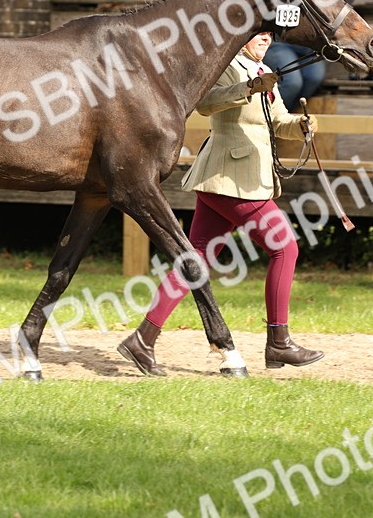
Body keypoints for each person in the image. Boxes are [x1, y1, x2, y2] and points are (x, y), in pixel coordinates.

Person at [117, 31, 323, 377]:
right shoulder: (227, 65)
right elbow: (206, 103)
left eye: (270, 34)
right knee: (284, 248)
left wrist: (301, 125)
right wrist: (246, 89)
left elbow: (276, 121)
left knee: (195, 260)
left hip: (231, 179)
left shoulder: (263, 69)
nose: (266, 39)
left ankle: (142, 339)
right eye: (259, 34)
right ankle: (279, 341)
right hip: (233, 178)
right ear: (242, 36)